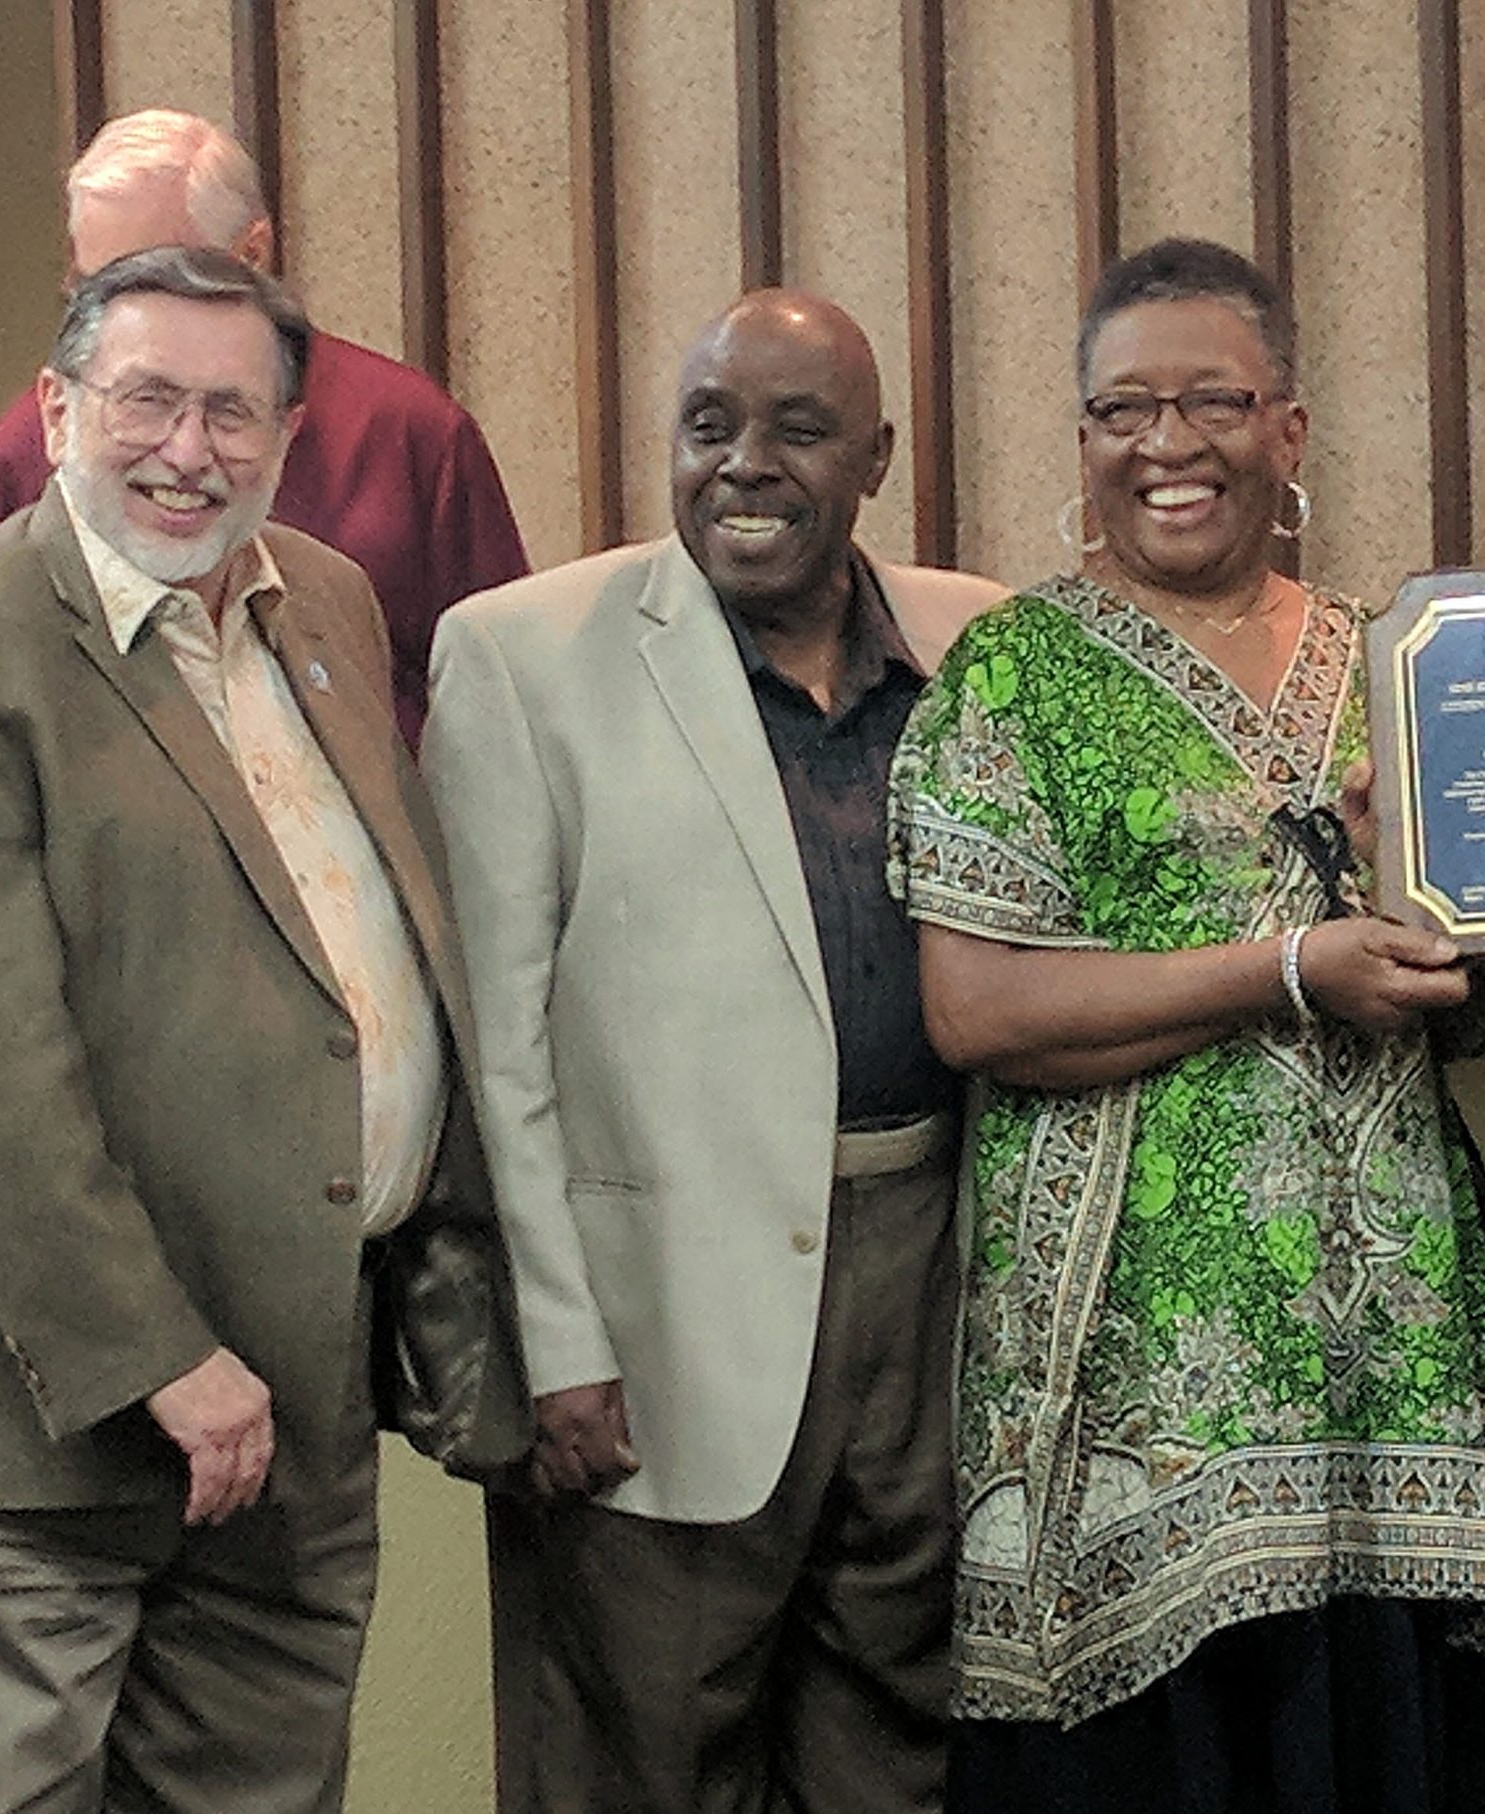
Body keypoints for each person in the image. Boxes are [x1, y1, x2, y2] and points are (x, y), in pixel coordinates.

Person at [0, 246, 528, 1814]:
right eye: (146, 399)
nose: (187, 450)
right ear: (60, 408)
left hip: (292, 1411)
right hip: (28, 1439)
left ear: (285, 433)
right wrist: (162, 1358)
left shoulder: (323, 601)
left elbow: (374, 952)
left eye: (232, 411)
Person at [890, 237, 1485, 1814]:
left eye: (1211, 399)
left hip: (1383, 1371)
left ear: (1291, 430)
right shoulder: (1014, 673)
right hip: (1136, 1376)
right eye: (1122, 407)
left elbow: (1453, 995)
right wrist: (1281, 966)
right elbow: (973, 1005)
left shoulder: (1401, 662)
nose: (1166, 442)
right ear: (1080, 440)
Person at [421, 290, 1004, 1813]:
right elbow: (496, 1048)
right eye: (707, 426)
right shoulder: (521, 656)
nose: (744, 465)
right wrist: (558, 1339)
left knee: (897, 1754)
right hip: (650, 1328)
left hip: (931, 1285)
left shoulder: (983, 639)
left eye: (798, 429)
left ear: (876, 455)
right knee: (644, 1762)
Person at [0, 107, 528, 748]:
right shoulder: (35, 441)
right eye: (95, 290)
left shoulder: (409, 431)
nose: (185, 450)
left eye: (162, 279)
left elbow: (498, 695)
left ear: (254, 253)